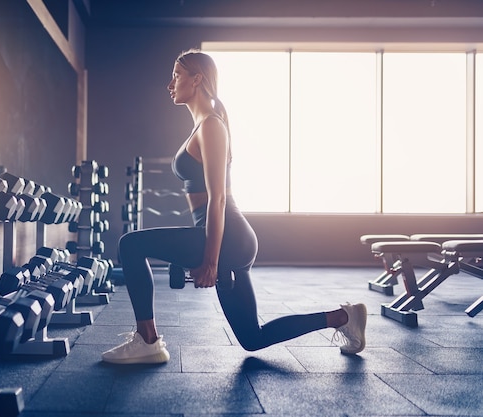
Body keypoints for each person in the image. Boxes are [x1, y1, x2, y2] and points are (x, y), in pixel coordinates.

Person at [101, 49, 367, 365]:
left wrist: (210, 261)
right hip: (224, 236)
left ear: (197, 78)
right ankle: (343, 317)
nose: (170, 83)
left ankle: (147, 340)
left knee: (130, 245)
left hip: (227, 234)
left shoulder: (211, 126)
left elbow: (219, 198)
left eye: (176, 75)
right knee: (252, 338)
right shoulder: (203, 125)